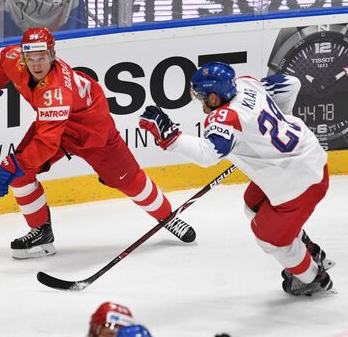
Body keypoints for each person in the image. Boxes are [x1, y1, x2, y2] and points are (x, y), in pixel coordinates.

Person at [0, 27, 195, 259]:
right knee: (21, 173)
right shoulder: (14, 58)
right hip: (53, 125)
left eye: (42, 58)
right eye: (31, 59)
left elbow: (46, 145)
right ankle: (41, 234)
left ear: (52, 55)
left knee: (129, 180)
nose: (36, 65)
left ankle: (168, 217)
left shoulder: (56, 91)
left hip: (93, 132)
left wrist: (13, 164)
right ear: (23, 56)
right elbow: (3, 64)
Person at [139, 62, 334, 296]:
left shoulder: (224, 118)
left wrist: (171, 138)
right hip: (306, 156)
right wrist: (277, 128)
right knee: (254, 205)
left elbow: (208, 154)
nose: (200, 102)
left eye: (202, 97)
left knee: (269, 239)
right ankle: (308, 249)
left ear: (213, 98)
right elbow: (291, 84)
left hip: (300, 184)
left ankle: (312, 277)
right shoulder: (246, 83)